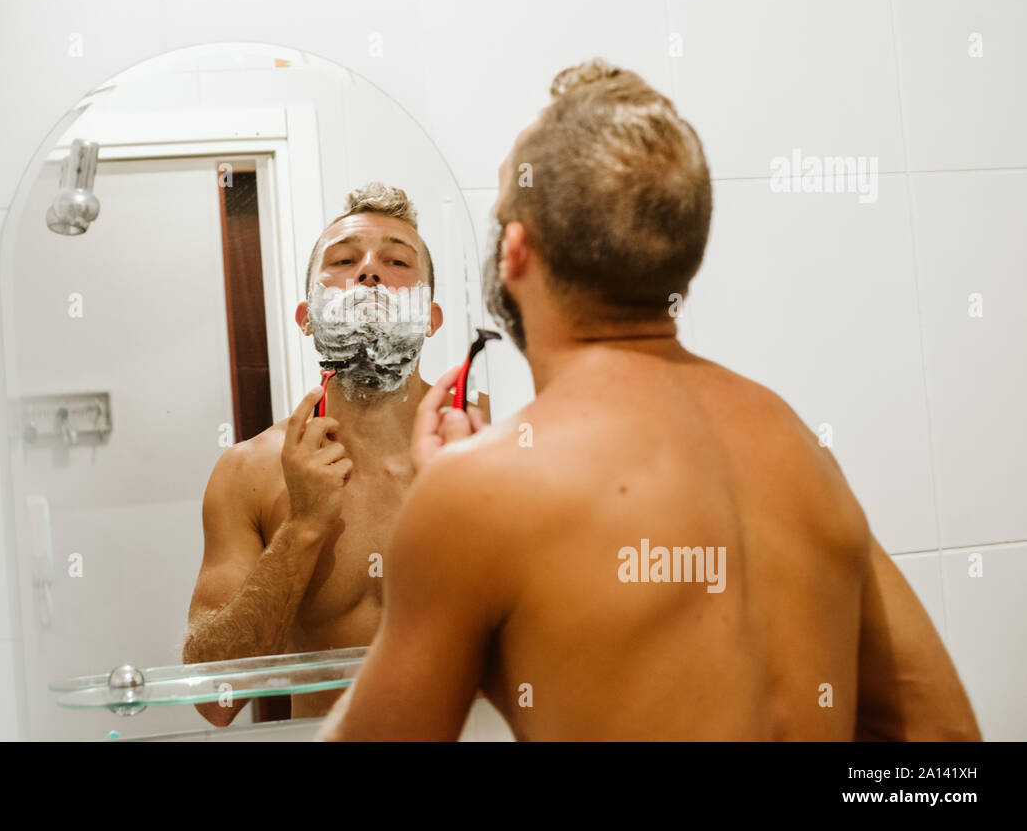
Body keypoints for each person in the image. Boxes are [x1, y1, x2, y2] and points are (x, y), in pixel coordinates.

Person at [317, 59, 981, 740]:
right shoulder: (797, 447)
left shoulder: (479, 493)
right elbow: (946, 749)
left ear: (515, 253)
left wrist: (455, 528)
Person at [183, 182, 487, 724]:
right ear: (307, 317)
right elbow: (215, 699)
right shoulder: (250, 473)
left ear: (431, 318)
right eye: (344, 260)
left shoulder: (486, 452)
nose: (369, 271)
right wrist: (301, 528)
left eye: (396, 260)